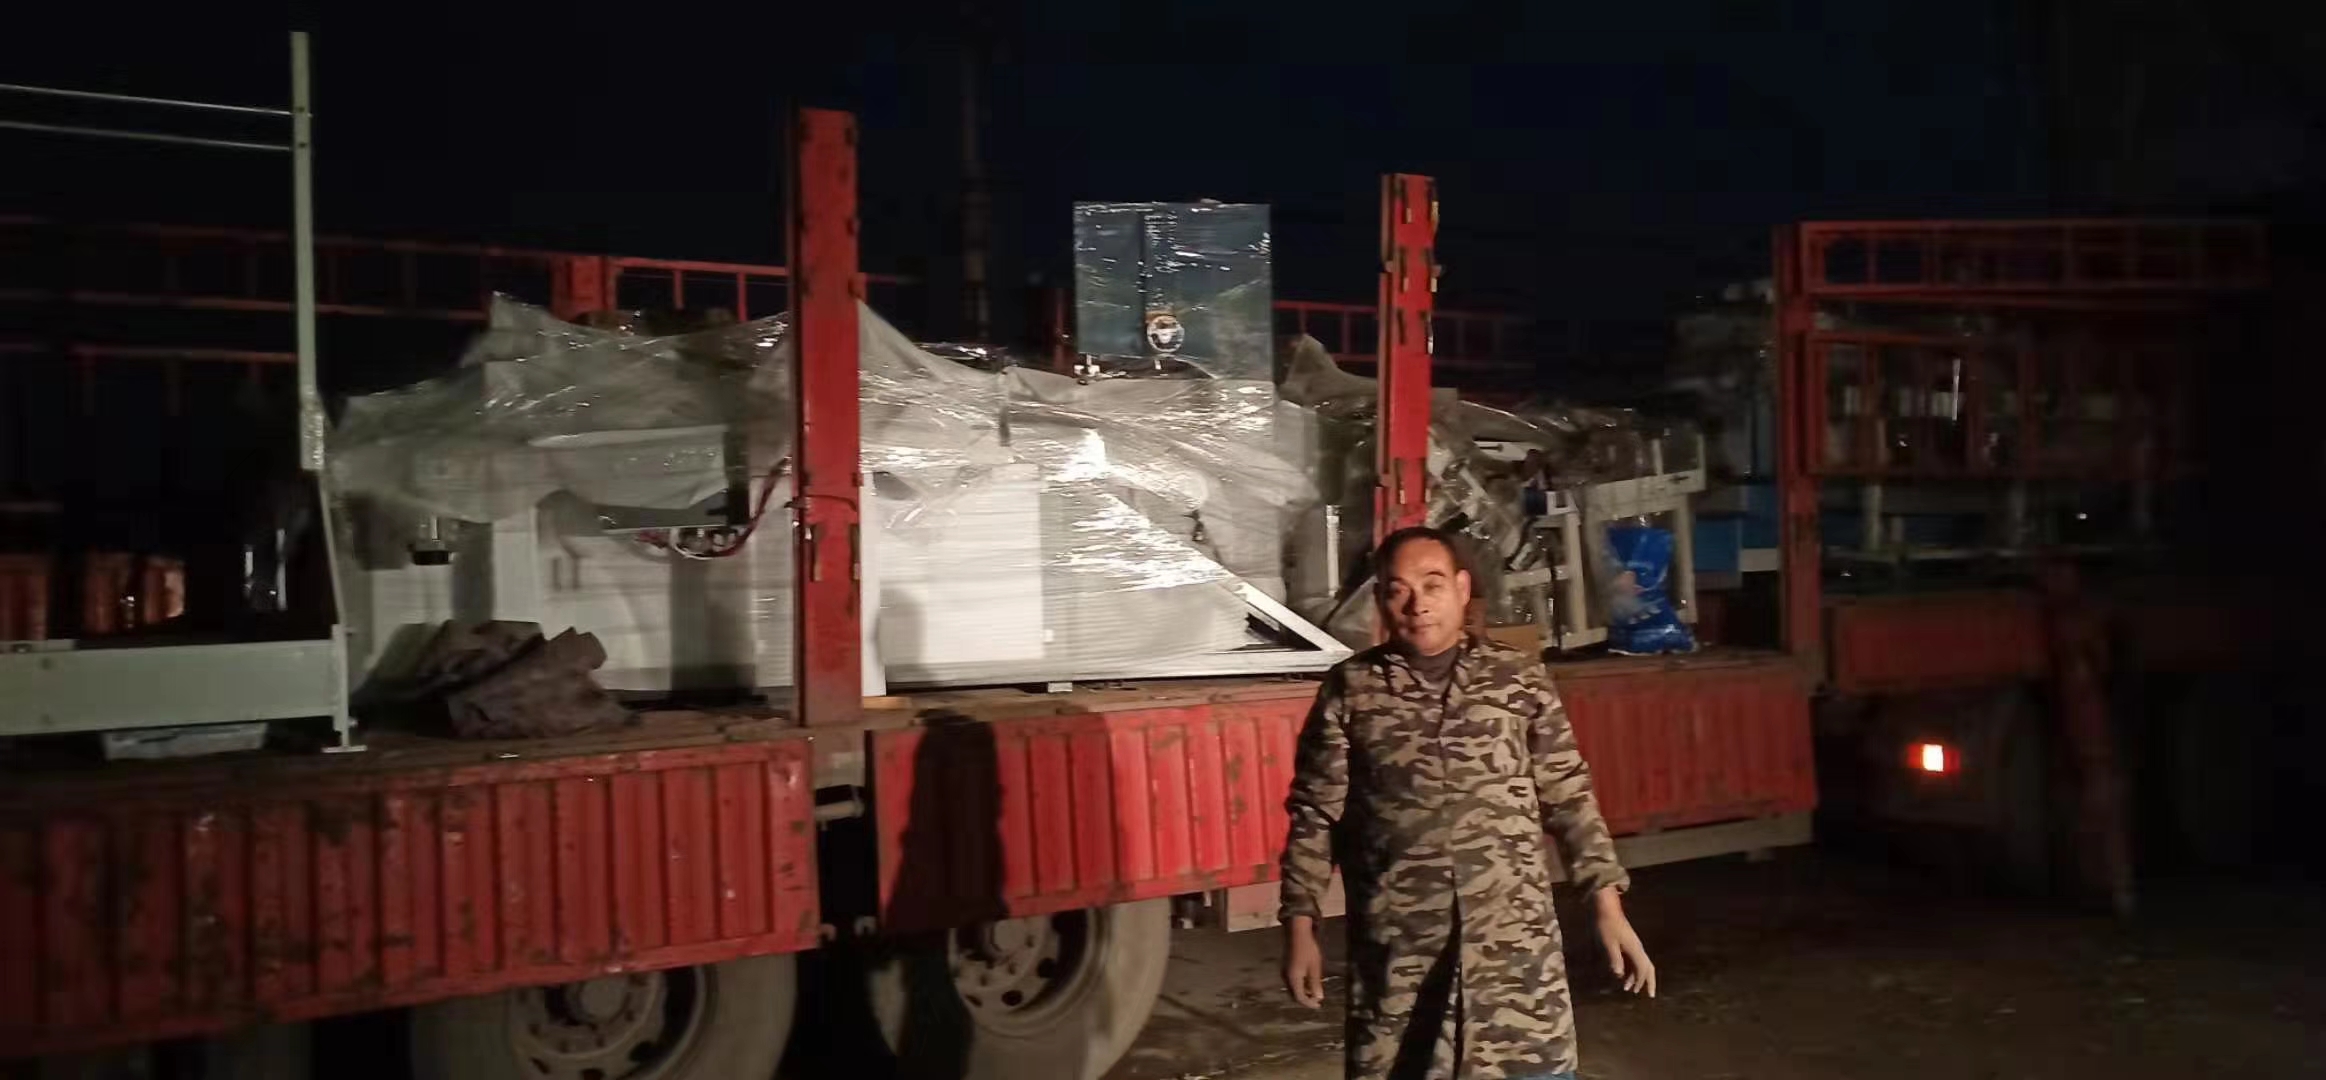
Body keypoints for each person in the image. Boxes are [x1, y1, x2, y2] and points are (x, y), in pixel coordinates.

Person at [1279, 525, 1655, 1080]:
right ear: (1381, 599)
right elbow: (1315, 814)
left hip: (1515, 957)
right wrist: (1299, 929)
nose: (1417, 605)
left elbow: (1569, 795)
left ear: (1460, 588)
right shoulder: (1352, 689)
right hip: (1403, 958)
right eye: (1398, 590)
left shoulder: (1517, 679)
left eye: (1432, 585)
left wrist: (1608, 908)